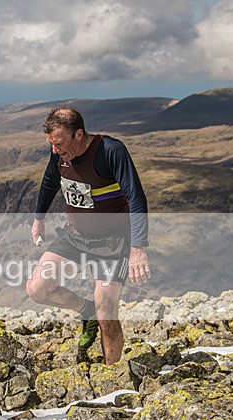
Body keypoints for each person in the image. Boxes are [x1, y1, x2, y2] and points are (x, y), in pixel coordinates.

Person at [25, 107, 151, 365]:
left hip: (113, 241)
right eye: (51, 144)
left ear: (79, 134)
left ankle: (112, 374)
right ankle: (86, 310)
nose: (55, 150)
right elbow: (50, 182)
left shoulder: (111, 151)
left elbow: (136, 197)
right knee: (37, 288)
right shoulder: (59, 153)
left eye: (60, 143)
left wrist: (138, 247)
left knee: (106, 311)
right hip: (75, 236)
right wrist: (39, 219)